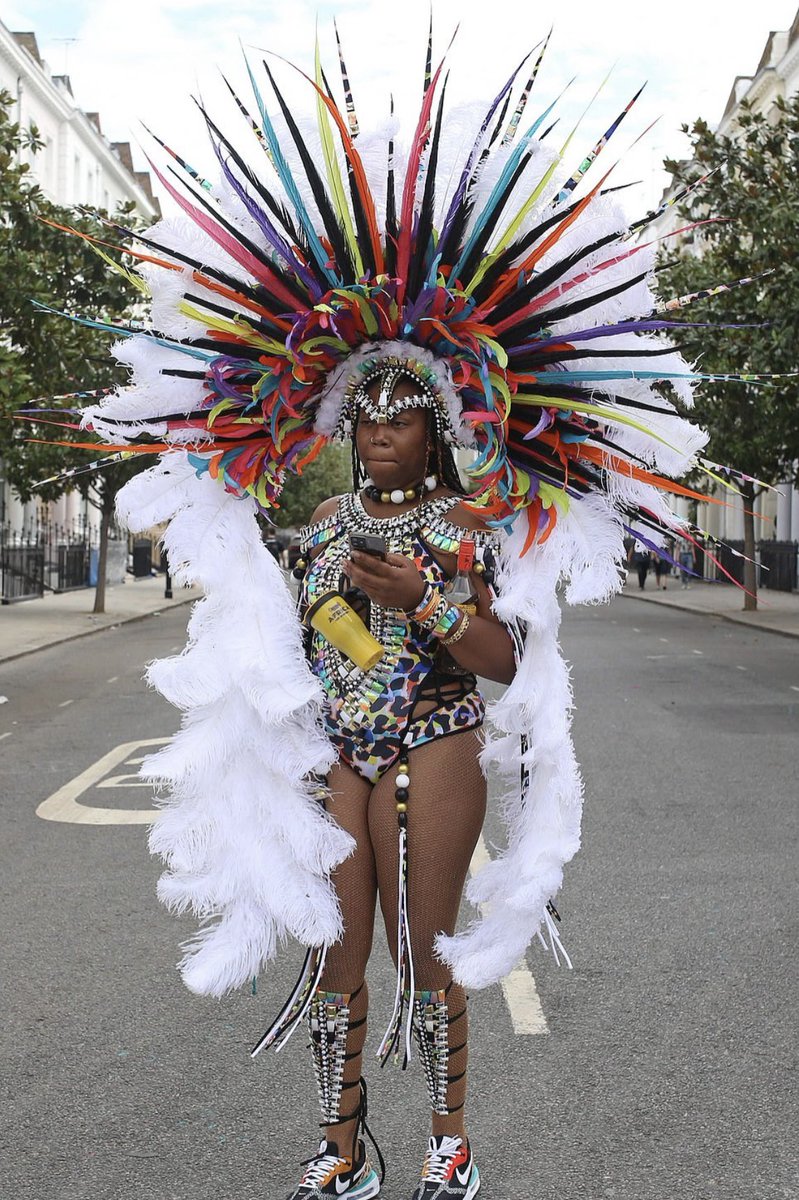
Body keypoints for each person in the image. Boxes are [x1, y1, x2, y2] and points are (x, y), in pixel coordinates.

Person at [53, 22, 756, 1200]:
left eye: (401, 415)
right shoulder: (322, 534)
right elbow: (299, 646)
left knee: (427, 960)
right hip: (338, 754)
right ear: (343, 426)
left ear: (433, 425)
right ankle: (339, 1151)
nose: (381, 430)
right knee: (334, 965)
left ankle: (449, 1144)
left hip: (435, 747)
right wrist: (306, 607)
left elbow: (498, 657)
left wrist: (424, 598)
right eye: (365, 416)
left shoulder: (469, 531)